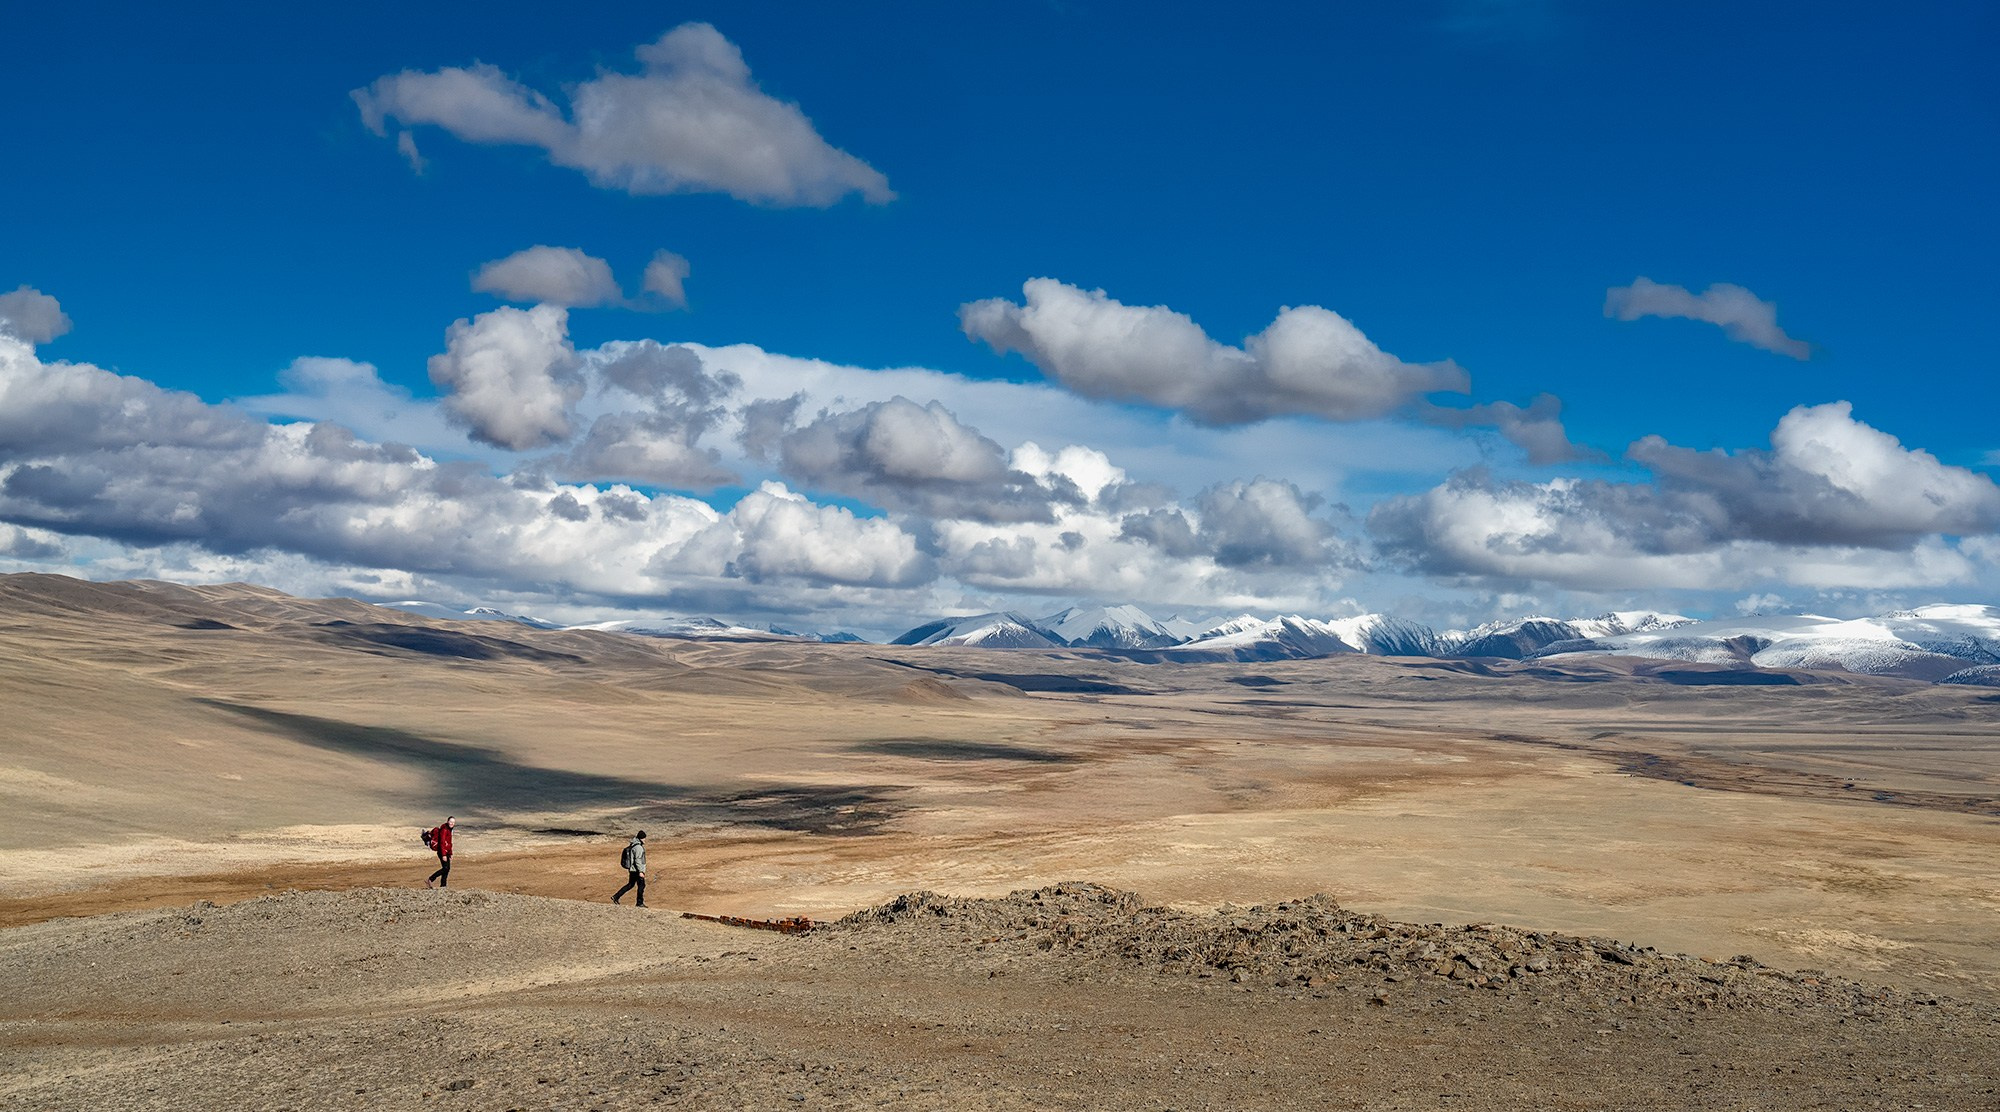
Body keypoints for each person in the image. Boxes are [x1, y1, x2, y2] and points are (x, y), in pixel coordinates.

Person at [613, 829, 647, 907]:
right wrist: (641, 871)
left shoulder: (633, 845)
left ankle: (616, 896)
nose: (645, 840)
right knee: (641, 886)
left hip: (632, 870)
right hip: (637, 870)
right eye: (644, 838)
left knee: (630, 885)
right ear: (641, 838)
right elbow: (638, 860)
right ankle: (639, 903)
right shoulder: (638, 847)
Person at [425, 816, 455, 888]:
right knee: (445, 868)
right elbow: (442, 842)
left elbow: (449, 842)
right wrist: (444, 855)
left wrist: (450, 853)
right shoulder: (444, 829)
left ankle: (443, 886)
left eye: (453, 822)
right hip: (442, 852)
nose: (452, 824)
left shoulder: (449, 829)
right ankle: (430, 879)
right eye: (451, 822)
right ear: (448, 821)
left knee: (447, 869)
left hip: (446, 851)